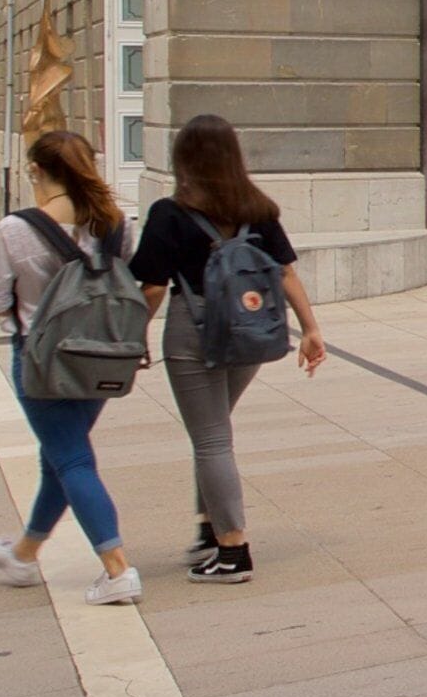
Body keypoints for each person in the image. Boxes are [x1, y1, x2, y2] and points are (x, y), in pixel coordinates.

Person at [133, 115, 326, 584]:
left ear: (184, 160)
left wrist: (133, 333)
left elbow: (154, 287)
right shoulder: (258, 210)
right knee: (214, 432)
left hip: (194, 332)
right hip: (251, 332)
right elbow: (285, 273)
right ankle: (209, 530)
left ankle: (232, 550)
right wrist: (311, 330)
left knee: (212, 439)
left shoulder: (169, 213)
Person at [0, 131, 141, 605]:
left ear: (38, 173)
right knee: (61, 457)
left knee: (71, 459)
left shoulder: (16, 229)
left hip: (42, 360)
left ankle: (117, 570)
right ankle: (24, 554)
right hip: (100, 359)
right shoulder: (115, 225)